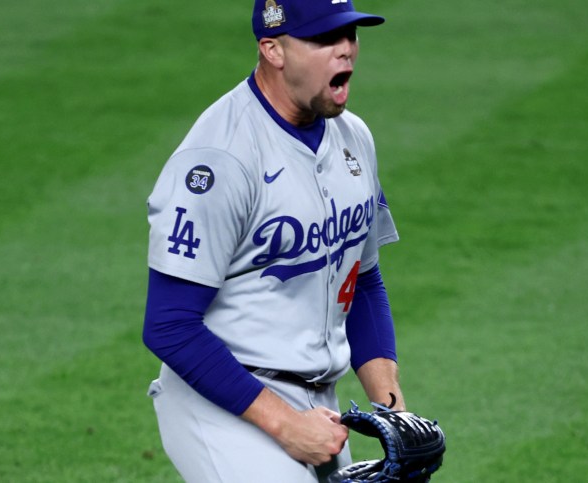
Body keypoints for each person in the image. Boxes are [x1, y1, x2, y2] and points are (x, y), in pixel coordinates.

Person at [142, 1, 405, 481]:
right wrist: (285, 425)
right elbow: (168, 324)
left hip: (319, 407)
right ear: (272, 50)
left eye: (350, 35)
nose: (345, 50)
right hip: (223, 404)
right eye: (325, 40)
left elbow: (362, 282)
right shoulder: (220, 158)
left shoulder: (354, 139)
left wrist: (393, 411)